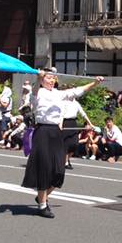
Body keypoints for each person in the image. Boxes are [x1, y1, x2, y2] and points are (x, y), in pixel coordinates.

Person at [22, 70, 104, 218]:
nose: (51, 80)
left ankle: (42, 197)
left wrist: (95, 83)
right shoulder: (38, 92)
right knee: (44, 168)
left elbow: (78, 91)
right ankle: (42, 205)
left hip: (56, 132)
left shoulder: (59, 94)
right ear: (42, 80)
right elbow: (34, 91)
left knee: (59, 170)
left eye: (53, 78)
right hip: (42, 131)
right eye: (48, 77)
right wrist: (38, 78)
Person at [61, 95, 92, 169]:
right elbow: (61, 115)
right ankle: (65, 162)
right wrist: (60, 124)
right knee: (66, 143)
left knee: (75, 143)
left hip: (73, 122)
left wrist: (90, 123)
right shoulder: (64, 102)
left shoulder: (76, 103)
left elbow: (83, 114)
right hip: (65, 122)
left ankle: (67, 160)